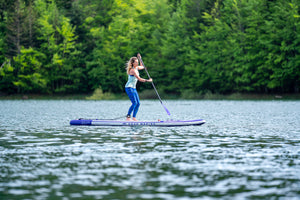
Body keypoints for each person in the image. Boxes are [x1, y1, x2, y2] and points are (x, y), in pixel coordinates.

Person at [125, 54, 152, 121]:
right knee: (134, 103)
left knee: (138, 103)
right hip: (129, 88)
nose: (137, 63)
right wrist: (148, 80)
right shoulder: (132, 70)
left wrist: (140, 59)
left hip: (133, 88)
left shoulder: (136, 68)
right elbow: (139, 79)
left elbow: (142, 66)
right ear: (132, 63)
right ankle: (128, 117)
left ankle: (134, 117)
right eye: (136, 62)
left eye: (137, 62)